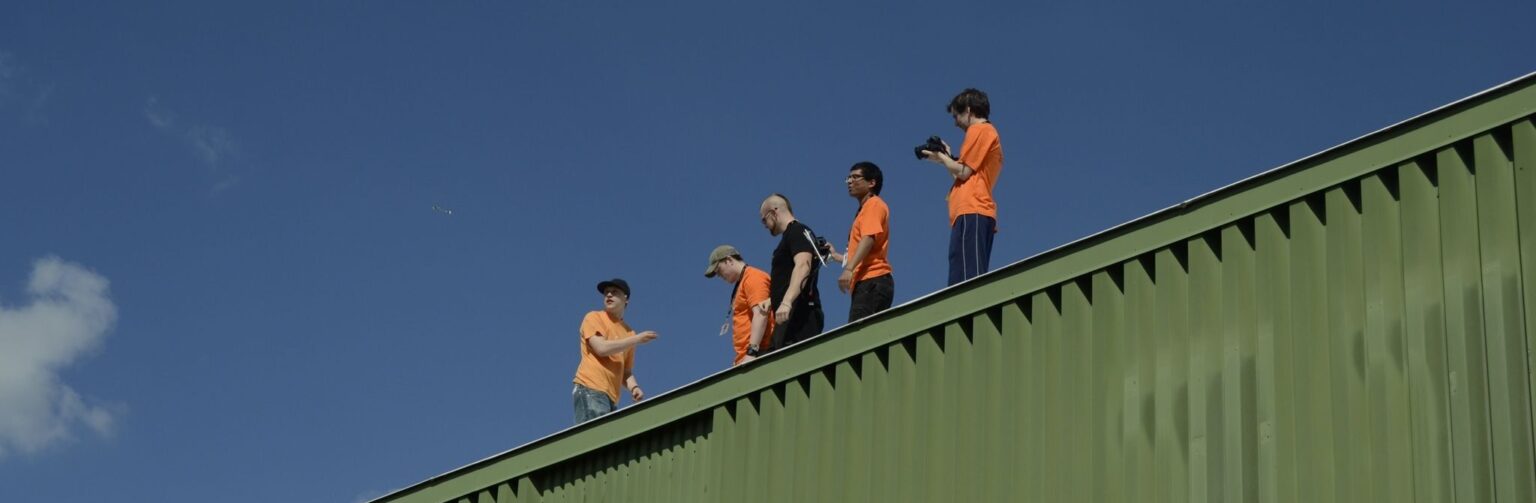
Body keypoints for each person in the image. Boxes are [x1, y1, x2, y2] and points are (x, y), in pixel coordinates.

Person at [920, 88, 1004, 286]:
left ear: (968, 110)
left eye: (956, 116)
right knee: (967, 272)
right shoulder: (987, 133)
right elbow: (965, 174)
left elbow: (963, 172)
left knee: (967, 278)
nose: (955, 123)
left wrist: (942, 157)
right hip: (975, 211)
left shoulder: (980, 130)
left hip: (971, 210)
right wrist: (946, 158)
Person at [572, 278, 658, 424]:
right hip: (590, 387)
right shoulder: (594, 317)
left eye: (614, 292)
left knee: (606, 436)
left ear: (626, 299)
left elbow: (625, 371)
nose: (609, 295)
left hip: (611, 398)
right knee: (595, 435)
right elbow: (601, 348)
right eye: (606, 292)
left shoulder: (629, 332)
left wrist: (634, 387)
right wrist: (636, 339)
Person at [826, 161, 895, 322]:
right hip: (868, 282)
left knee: (858, 332)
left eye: (856, 177)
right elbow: (864, 249)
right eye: (848, 178)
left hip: (872, 280)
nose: (850, 181)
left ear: (872, 183)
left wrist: (849, 269)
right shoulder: (865, 208)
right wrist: (836, 256)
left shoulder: (874, 204)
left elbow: (869, 238)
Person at [759, 193, 825, 349]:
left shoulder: (797, 231)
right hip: (789, 317)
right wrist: (772, 300)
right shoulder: (792, 234)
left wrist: (786, 302)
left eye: (764, 219)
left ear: (773, 213)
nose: (764, 225)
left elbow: (803, 265)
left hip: (799, 316)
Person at [703, 245, 774, 365]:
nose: (719, 276)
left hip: (760, 354)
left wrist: (752, 352)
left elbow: (761, 313)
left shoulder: (753, 277)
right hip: (748, 357)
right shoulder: (742, 282)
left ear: (729, 260)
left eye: (718, 270)